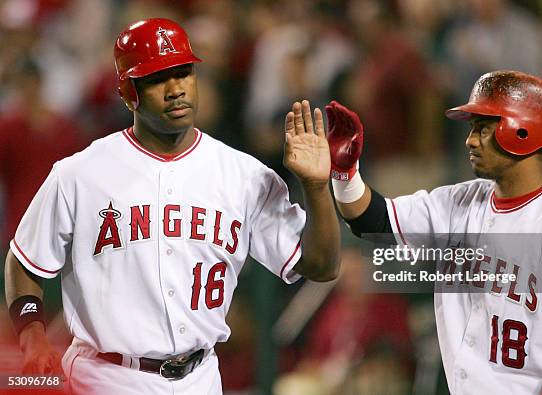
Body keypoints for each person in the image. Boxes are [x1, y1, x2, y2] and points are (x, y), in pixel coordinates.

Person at [4, 18, 340, 395]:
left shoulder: (243, 174)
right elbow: (24, 260)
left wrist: (316, 188)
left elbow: (321, 266)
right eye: (158, 78)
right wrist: (31, 333)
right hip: (104, 377)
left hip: (202, 377)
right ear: (129, 92)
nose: (176, 89)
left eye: (183, 73)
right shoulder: (79, 174)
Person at [325, 70, 542, 394]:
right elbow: (372, 221)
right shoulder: (457, 202)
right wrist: (345, 173)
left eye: (483, 128)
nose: (470, 140)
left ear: (523, 130)